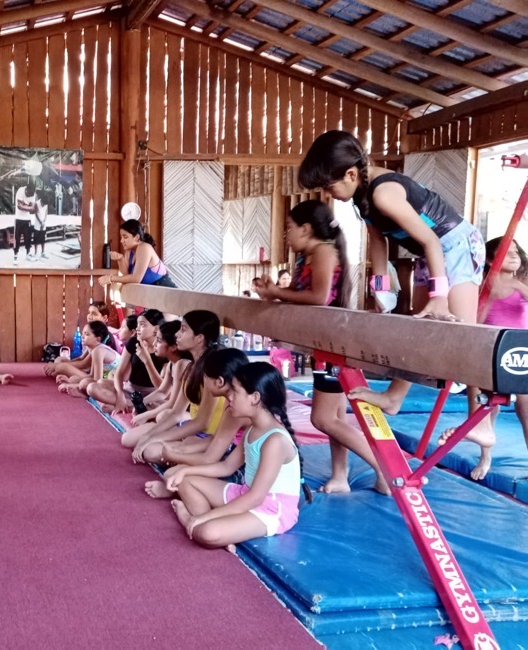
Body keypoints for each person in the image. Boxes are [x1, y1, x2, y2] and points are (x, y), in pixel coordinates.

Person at [298, 130, 487, 439]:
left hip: (455, 246)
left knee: (465, 336)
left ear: (349, 173)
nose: (326, 194)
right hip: (431, 252)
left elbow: (430, 239)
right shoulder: (362, 196)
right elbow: (377, 242)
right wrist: (380, 290)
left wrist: (440, 296)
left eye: (327, 186)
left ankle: (480, 421)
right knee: (419, 327)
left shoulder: (384, 193)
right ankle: (395, 397)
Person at [255, 200, 389, 495]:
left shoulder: (324, 252)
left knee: (323, 418)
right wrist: (273, 293)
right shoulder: (310, 255)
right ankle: (340, 475)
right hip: (326, 345)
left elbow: (319, 296)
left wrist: (277, 292)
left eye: (289, 228)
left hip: (335, 347)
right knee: (336, 418)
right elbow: (301, 295)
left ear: (306, 228)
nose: (287, 235)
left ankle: (385, 468)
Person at [166, 362, 311, 550]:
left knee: (207, 532)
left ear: (255, 398)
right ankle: (219, 526)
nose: (230, 398)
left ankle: (190, 519)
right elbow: (226, 467)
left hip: (270, 508)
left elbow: (256, 498)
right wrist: (185, 471)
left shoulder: (275, 440)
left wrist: (206, 516)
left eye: (235, 392)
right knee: (184, 481)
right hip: (245, 493)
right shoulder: (253, 429)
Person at [439, 237, 528, 478]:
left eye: (516, 251)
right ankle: (485, 457)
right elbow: (475, 319)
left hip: (520, 350)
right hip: (492, 348)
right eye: (505, 251)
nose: (513, 255)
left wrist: (517, 287)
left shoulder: (524, 282)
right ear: (490, 259)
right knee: (488, 406)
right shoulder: (482, 285)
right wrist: (491, 293)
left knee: (525, 405)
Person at [144, 348, 249, 500]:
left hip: (240, 473)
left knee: (172, 475)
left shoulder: (237, 409)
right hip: (229, 456)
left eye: (205, 377)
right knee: (175, 451)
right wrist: (180, 450)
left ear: (219, 381)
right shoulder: (235, 401)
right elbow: (217, 440)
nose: (203, 381)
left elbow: (211, 459)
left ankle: (178, 489)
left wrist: (175, 455)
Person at [123, 311, 225, 460]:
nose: (177, 334)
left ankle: (182, 455)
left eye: (183, 329)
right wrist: (150, 436)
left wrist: (154, 438)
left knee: (150, 451)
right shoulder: (190, 367)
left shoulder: (211, 370)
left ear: (199, 338)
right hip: (191, 428)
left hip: (207, 435)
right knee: (129, 439)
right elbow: (176, 412)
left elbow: (202, 423)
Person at [87, 309, 166, 412]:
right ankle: (129, 405)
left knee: (162, 406)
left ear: (156, 329)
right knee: (93, 387)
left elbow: (162, 388)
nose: (137, 328)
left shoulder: (163, 348)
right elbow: (119, 373)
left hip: (152, 395)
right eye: (137, 324)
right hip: (130, 390)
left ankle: (130, 406)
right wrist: (120, 395)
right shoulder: (133, 342)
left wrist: (147, 361)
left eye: (142, 325)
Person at [98, 219, 177, 289]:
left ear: (136, 237)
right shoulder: (129, 252)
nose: (121, 241)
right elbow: (127, 277)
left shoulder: (144, 247)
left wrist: (110, 278)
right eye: (121, 237)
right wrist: (120, 259)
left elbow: (136, 279)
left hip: (166, 290)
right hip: (152, 295)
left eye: (125, 237)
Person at [57, 321, 119, 397]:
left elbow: (97, 380)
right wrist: (70, 381)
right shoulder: (95, 349)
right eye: (83, 333)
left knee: (84, 383)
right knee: (74, 379)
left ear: (98, 339)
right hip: (106, 381)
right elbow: (92, 376)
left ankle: (84, 395)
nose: (82, 336)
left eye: (86, 334)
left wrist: (75, 385)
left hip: (118, 386)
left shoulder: (98, 351)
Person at [13, 183, 36, 265]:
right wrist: (28, 207)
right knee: (17, 239)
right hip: (19, 218)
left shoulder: (33, 193)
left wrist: (24, 205)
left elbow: (33, 209)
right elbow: (19, 206)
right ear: (26, 189)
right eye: (29, 193)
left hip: (27, 219)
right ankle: (15, 256)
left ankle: (28, 254)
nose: (30, 195)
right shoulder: (20, 190)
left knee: (28, 238)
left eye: (31, 194)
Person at [32, 189, 49, 260]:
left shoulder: (46, 205)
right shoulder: (36, 203)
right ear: (41, 200)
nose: (43, 205)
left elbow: (46, 213)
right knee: (36, 240)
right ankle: (35, 253)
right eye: (43, 203)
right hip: (37, 224)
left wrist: (44, 222)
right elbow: (36, 214)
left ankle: (43, 253)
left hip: (43, 224)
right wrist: (40, 222)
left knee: (43, 240)